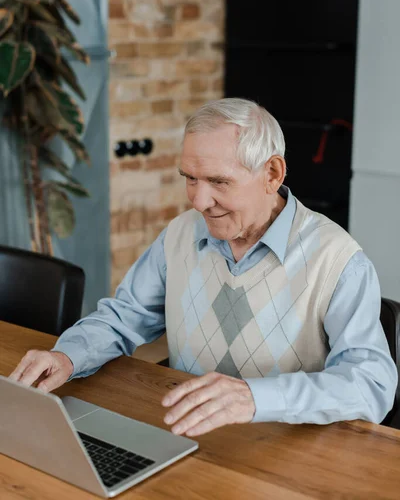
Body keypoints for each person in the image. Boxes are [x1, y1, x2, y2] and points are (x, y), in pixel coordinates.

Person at [10, 98, 397, 437]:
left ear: (273, 174)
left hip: (288, 450)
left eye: (218, 181)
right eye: (190, 179)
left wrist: (254, 398)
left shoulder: (338, 259)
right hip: (188, 435)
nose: (199, 201)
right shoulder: (180, 234)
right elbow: (124, 316)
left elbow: (370, 384)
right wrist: (67, 356)